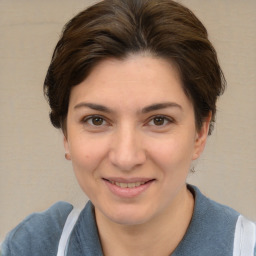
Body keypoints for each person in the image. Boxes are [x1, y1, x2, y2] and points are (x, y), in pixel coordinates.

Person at [1, 0, 255, 255]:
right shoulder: (31, 247)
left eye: (158, 120)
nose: (126, 158)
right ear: (66, 134)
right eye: (96, 120)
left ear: (199, 133)